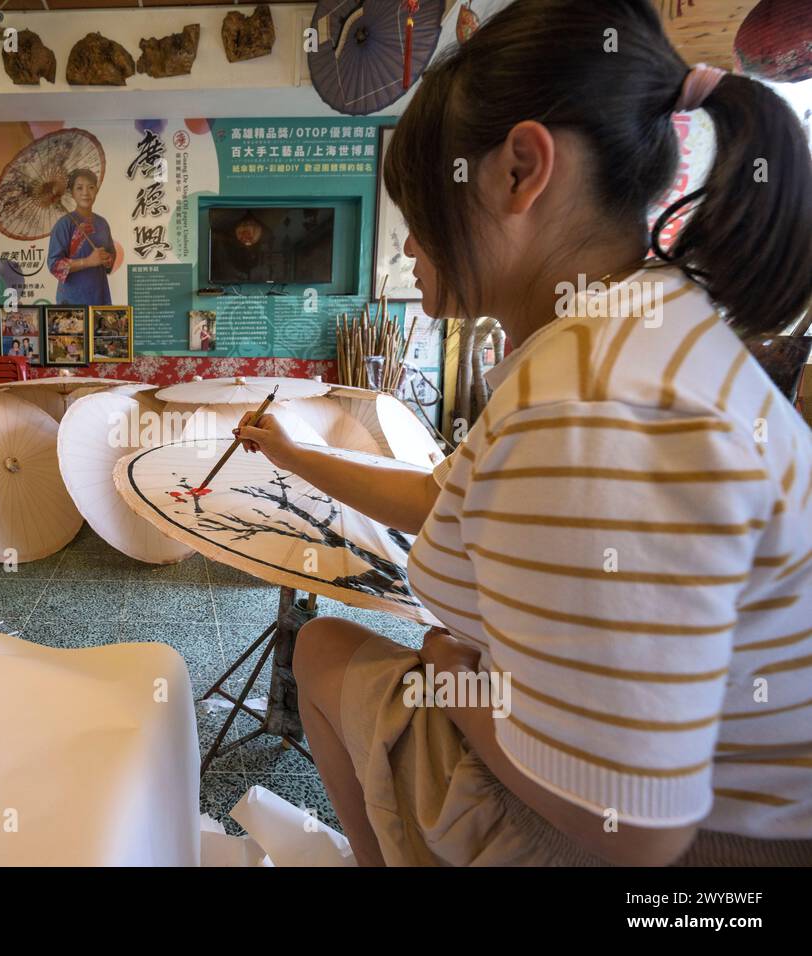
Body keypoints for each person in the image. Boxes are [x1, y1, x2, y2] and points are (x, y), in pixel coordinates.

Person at [238, 0, 812, 866]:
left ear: (520, 172)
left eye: (421, 214)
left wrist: (451, 668)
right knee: (333, 644)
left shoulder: (590, 404)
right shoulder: (639, 325)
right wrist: (293, 453)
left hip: (710, 859)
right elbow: (441, 498)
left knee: (322, 653)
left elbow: (635, 826)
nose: (410, 253)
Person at [47, 169, 114, 306]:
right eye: (79, 188)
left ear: (96, 190)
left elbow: (111, 254)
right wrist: (88, 261)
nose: (85, 193)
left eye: (91, 187)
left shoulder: (102, 223)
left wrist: (107, 259)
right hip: (72, 299)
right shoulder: (64, 225)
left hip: (99, 296)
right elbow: (54, 265)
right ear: (72, 192)